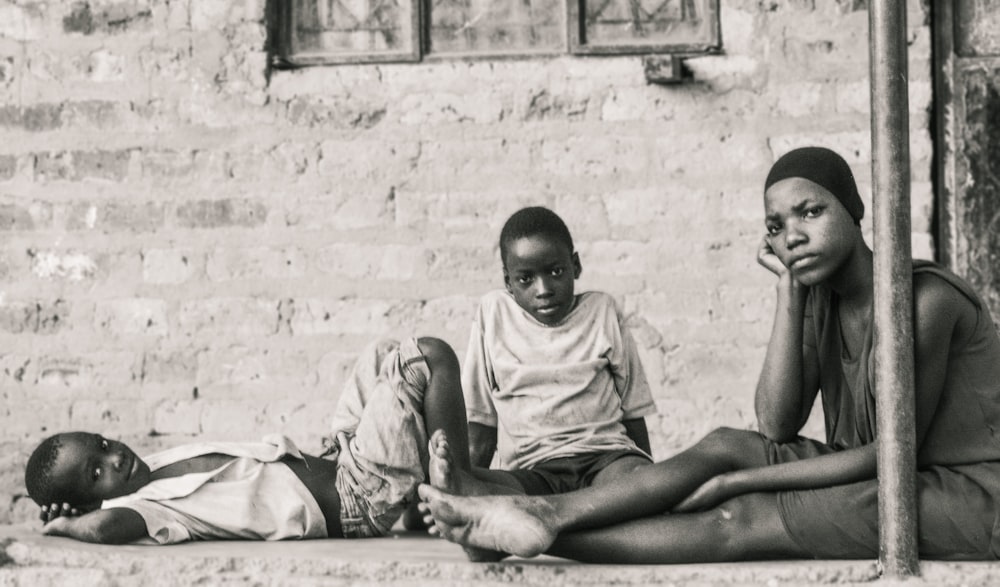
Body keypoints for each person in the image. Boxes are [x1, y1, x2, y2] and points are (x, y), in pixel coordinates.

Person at [417, 147, 1000, 563]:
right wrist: (789, 295)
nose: (791, 235)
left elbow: (890, 458)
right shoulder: (819, 297)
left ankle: (534, 527)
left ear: (855, 211)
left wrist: (734, 486)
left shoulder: (922, 302)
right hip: (880, 471)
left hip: (962, 494)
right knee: (725, 443)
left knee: (740, 517)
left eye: (811, 212)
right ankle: (531, 516)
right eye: (775, 226)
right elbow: (776, 422)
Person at [25, 336, 475, 544]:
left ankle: (419, 503)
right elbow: (106, 527)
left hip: (338, 460)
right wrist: (66, 525)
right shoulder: (148, 511)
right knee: (428, 355)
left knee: (382, 352)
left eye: (104, 445)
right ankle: (463, 495)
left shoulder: (156, 464)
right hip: (358, 499)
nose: (115, 458)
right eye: (97, 472)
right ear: (92, 502)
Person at [454, 205, 657, 500]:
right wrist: (466, 492)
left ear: (575, 265)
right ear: (508, 282)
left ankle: (560, 516)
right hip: (533, 471)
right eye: (526, 279)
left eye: (556, 271)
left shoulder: (603, 312)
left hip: (606, 461)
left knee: (640, 485)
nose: (544, 288)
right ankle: (575, 515)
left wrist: (652, 483)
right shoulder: (493, 315)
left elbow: (633, 411)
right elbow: (482, 423)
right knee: (491, 490)